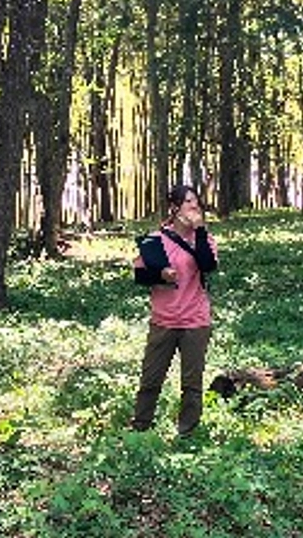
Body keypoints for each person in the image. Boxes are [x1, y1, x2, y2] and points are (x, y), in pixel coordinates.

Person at [131, 185, 218, 437]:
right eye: (188, 201)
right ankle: (140, 428)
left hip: (195, 321)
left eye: (196, 201)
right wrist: (160, 274)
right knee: (150, 379)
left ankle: (187, 433)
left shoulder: (204, 239)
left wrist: (199, 230)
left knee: (192, 383)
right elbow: (139, 276)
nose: (194, 206)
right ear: (174, 208)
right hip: (163, 320)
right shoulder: (154, 240)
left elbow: (207, 265)